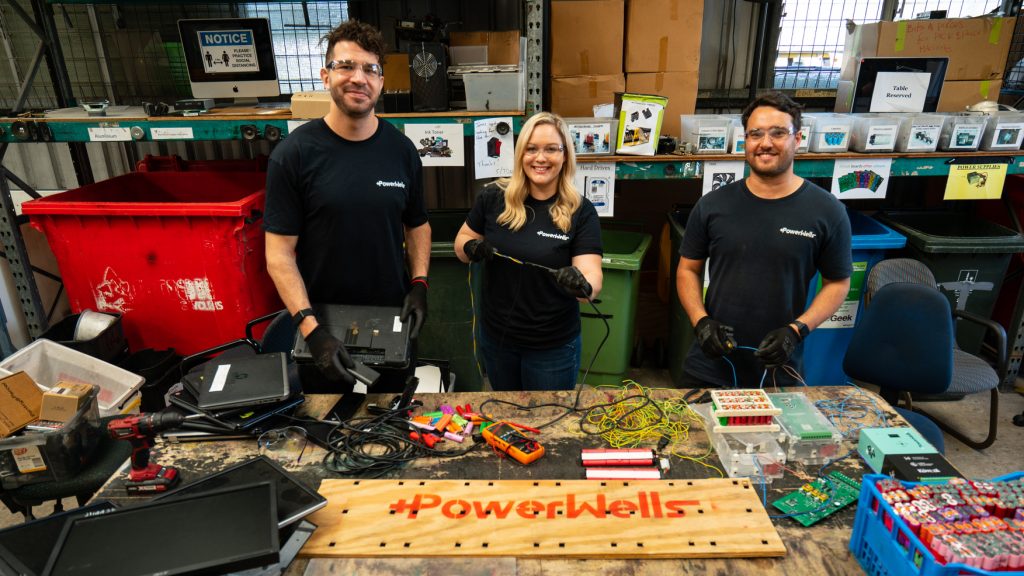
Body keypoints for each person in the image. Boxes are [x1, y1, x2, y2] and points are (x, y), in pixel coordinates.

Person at [263, 20, 430, 393]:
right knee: (325, 424)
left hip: (391, 321)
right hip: (323, 328)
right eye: (346, 66)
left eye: (370, 69)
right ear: (326, 76)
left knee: (392, 420)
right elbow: (279, 255)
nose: (359, 78)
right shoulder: (293, 155)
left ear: (381, 82)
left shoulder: (401, 150)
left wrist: (420, 283)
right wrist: (311, 330)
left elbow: (417, 224)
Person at [677, 92, 852, 387]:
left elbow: (837, 283)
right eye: (755, 134)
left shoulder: (827, 211)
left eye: (778, 133)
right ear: (746, 140)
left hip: (777, 369)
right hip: (709, 366)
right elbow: (687, 269)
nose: (765, 143)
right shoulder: (713, 205)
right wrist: (701, 321)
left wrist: (797, 331)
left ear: (798, 139)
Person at [455, 112, 603, 391]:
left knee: (548, 417)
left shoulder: (581, 211)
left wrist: (581, 284)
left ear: (565, 155)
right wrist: (470, 247)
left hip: (553, 347)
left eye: (551, 149)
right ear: (521, 154)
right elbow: (461, 242)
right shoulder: (493, 197)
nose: (540, 158)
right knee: (507, 412)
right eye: (531, 149)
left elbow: (592, 278)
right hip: (497, 340)